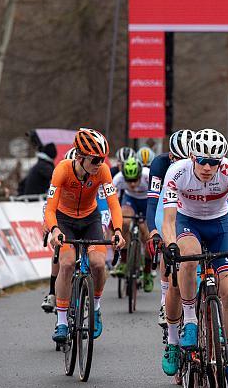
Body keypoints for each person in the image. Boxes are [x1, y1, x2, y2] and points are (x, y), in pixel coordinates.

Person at [161, 128, 228, 388]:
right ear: (192, 156)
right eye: (203, 161)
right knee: (188, 259)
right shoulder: (177, 172)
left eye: (215, 162)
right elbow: (168, 220)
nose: (208, 167)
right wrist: (171, 244)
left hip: (220, 226)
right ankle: (189, 321)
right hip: (187, 222)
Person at [46, 128, 125, 344]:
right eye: (95, 159)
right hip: (64, 220)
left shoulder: (103, 171)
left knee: (99, 264)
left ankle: (96, 307)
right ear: (80, 157)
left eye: (103, 158)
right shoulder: (62, 170)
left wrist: (117, 230)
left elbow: (113, 204)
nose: (100, 163)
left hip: (90, 219)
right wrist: (54, 230)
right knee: (68, 263)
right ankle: (62, 321)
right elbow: (50, 208)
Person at [146, 129, 195, 328]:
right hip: (168, 208)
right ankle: (164, 299)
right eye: (179, 160)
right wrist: (154, 232)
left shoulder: (203, 164)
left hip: (195, 210)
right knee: (168, 248)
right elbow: (153, 203)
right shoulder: (160, 164)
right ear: (171, 156)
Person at [41, 148, 77, 313]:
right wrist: (48, 226)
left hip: (84, 220)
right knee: (59, 250)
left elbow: (102, 207)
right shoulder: (61, 176)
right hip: (63, 218)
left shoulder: (91, 180)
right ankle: (52, 292)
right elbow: (48, 206)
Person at [110, 156, 153, 291]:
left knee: (147, 235)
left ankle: (147, 272)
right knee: (124, 222)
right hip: (130, 200)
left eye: (135, 180)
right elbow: (112, 202)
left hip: (147, 201)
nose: (133, 184)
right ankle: (123, 261)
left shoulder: (148, 176)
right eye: (129, 181)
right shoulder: (118, 179)